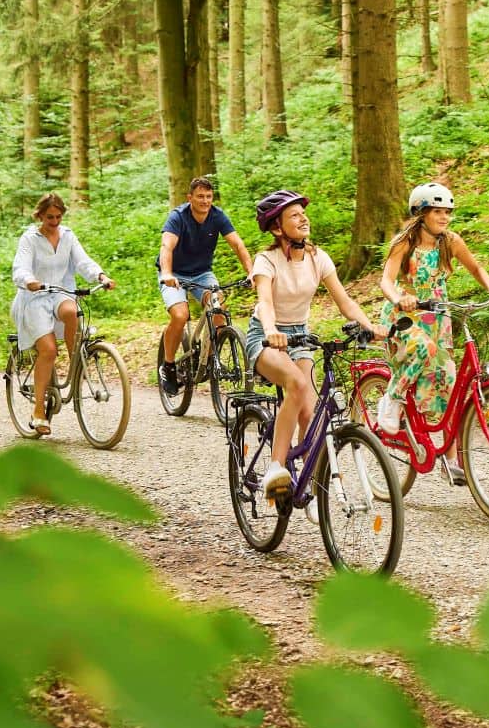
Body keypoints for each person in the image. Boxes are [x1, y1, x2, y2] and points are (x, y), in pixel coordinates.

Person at [245, 189, 383, 504]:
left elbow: (344, 300)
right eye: (294, 215)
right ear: (277, 227)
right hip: (266, 336)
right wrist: (270, 330)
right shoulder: (267, 260)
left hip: (301, 336)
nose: (303, 218)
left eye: (303, 213)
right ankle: (276, 469)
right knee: (295, 383)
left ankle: (304, 481)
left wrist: (369, 326)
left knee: (310, 410)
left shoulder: (317, 257)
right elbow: (265, 302)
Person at [374, 184, 489, 457]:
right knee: (424, 349)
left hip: (437, 316)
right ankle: (393, 400)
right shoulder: (405, 242)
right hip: (405, 316)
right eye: (437, 211)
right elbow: (386, 280)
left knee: (449, 381)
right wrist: (399, 298)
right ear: (421, 213)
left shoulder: (451, 241)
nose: (444, 217)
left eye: (447, 212)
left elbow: (476, 267)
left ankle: (451, 458)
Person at [11, 192, 114, 437]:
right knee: (47, 350)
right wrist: (29, 280)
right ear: (39, 216)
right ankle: (38, 412)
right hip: (34, 298)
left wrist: (101, 276)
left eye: (58, 216)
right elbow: (20, 267)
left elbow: (82, 261)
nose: (54, 221)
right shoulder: (30, 238)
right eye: (49, 217)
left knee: (71, 311)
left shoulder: (67, 236)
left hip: (60, 293)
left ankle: (75, 361)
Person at [158, 175, 254, 396]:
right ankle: (169, 366)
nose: (205, 201)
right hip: (175, 274)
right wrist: (166, 273)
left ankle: (210, 358)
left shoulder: (218, 216)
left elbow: (238, 245)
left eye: (209, 196)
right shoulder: (178, 217)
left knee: (218, 310)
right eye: (200, 196)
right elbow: (166, 247)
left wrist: (251, 272)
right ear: (189, 197)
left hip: (202, 274)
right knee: (180, 316)